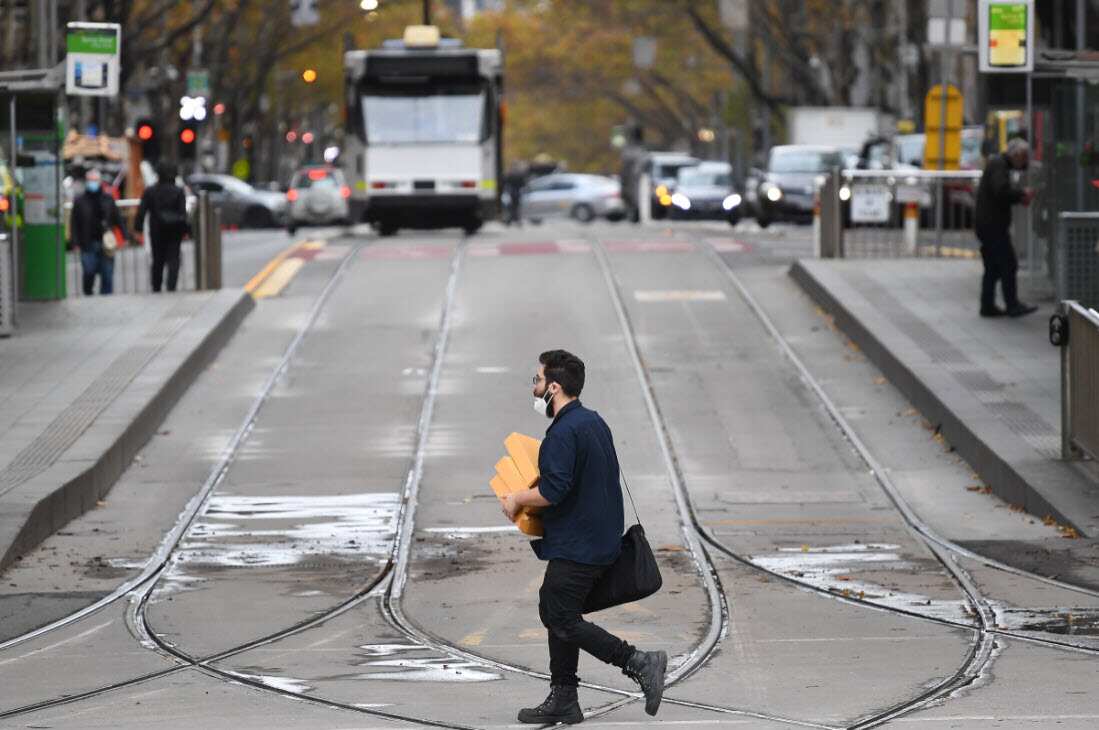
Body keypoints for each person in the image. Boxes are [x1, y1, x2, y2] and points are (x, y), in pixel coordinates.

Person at [502, 350, 667, 725]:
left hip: (579, 544)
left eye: (538, 380)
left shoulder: (562, 432)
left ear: (554, 387)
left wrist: (517, 498)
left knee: (559, 614)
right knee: (557, 610)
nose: (534, 386)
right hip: (599, 537)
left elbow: (554, 490)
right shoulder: (593, 422)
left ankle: (639, 662)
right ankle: (564, 698)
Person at [974, 137, 1037, 318]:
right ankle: (1012, 304)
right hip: (992, 226)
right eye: (1023, 157)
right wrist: (1021, 194)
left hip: (988, 224)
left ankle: (988, 306)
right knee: (1008, 264)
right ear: (1015, 154)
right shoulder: (999, 165)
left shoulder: (999, 164)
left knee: (993, 267)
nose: (1024, 162)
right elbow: (1000, 191)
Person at [136, 162, 191, 293]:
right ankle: (171, 287)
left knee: (157, 260)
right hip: (174, 231)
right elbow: (183, 214)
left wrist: (137, 229)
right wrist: (186, 231)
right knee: (174, 259)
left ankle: (156, 287)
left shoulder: (150, 191)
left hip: (156, 230)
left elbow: (142, 211)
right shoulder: (178, 191)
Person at [71, 169, 125, 296]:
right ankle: (88, 292)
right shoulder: (79, 201)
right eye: (90, 180)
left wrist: (124, 235)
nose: (93, 183)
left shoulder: (107, 199)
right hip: (87, 242)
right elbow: (74, 223)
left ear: (100, 181)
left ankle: (106, 299)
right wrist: (75, 242)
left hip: (106, 242)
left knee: (107, 273)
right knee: (88, 271)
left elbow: (117, 218)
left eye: (95, 180)